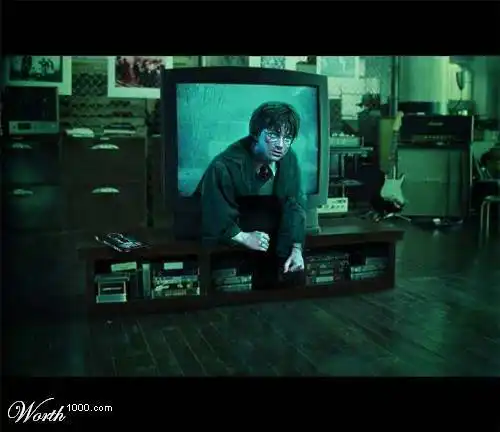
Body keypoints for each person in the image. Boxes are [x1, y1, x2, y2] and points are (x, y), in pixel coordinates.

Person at [197, 102, 306, 289]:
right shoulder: (224, 165)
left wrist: (296, 249)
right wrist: (243, 237)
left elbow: (294, 204)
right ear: (256, 133)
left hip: (274, 239)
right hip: (232, 242)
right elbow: (214, 213)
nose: (281, 145)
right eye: (273, 135)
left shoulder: (289, 159)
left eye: (287, 138)